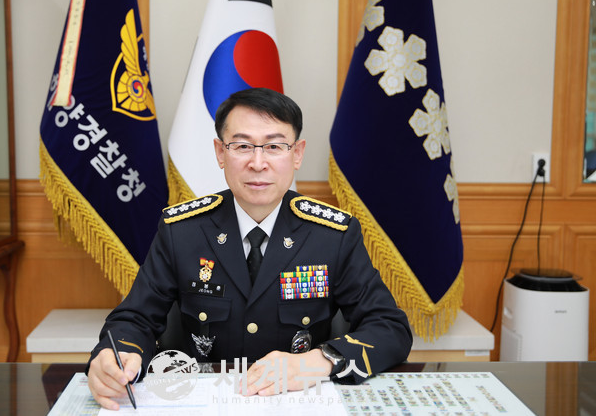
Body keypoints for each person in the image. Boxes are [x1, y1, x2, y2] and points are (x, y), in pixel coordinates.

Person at [87, 87, 412, 410]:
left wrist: (316, 362)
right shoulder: (181, 231)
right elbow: (134, 319)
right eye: (242, 146)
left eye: (274, 146)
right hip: (204, 404)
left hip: (297, 404)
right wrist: (116, 357)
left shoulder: (332, 235)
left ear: (297, 154)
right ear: (220, 152)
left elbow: (390, 327)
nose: (258, 163)